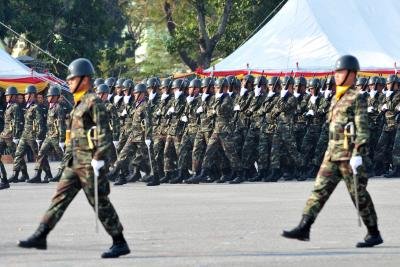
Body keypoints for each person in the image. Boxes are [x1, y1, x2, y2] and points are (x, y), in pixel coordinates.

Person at [18, 58, 130, 258]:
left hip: (88, 161)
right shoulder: (79, 103)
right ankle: (41, 234)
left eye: (73, 78)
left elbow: (104, 133)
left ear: (85, 80)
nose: (69, 82)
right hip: (75, 160)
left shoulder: (94, 102)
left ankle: (119, 241)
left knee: (99, 201)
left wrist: (99, 159)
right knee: (59, 197)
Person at [282, 55, 383, 248]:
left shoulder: (356, 98)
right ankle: (304, 226)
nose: (337, 76)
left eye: (341, 72)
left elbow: (362, 129)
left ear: (352, 74)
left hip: (349, 155)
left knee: (358, 195)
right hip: (332, 155)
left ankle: (374, 232)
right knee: (319, 190)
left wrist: (358, 153)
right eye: (336, 72)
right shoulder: (337, 97)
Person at [31, 85, 67, 183]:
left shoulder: (59, 108)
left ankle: (61, 174)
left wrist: (62, 140)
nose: (48, 98)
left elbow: (61, 125)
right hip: (49, 136)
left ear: (55, 97)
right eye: (48, 96)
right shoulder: (50, 108)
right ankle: (37, 175)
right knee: (41, 154)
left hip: (56, 136)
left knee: (64, 156)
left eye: (50, 96)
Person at [0, 86, 24, 190]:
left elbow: (18, 122)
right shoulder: (8, 106)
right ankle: (4, 180)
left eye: (8, 95)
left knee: (16, 156)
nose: (6, 97)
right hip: (4, 135)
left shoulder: (15, 107)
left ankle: (24, 173)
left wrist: (17, 136)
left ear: (13, 96)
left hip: (10, 136)